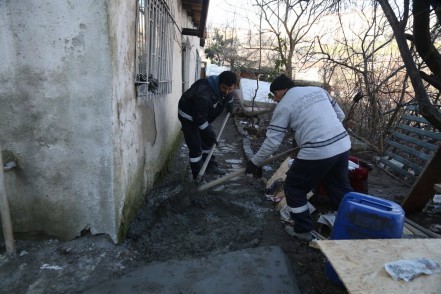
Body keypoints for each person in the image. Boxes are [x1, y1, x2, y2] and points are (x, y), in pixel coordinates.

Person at [245, 74, 352, 241]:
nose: (275, 99)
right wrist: (322, 132)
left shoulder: (284, 106)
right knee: (339, 188)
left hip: (317, 151)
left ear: (282, 90)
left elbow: (272, 142)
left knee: (294, 188)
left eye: (275, 94)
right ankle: (351, 227)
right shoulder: (319, 91)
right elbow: (340, 116)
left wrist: (255, 162)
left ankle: (303, 230)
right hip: (342, 144)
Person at [178, 70, 237, 183]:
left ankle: (210, 166)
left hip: (202, 116)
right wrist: (209, 133)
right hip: (188, 117)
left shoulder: (225, 90)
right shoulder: (204, 94)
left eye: (230, 89)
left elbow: (229, 96)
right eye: (224, 88)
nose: (227, 91)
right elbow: (199, 119)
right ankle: (198, 177)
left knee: (207, 141)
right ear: (219, 83)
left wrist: (230, 104)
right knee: (195, 148)